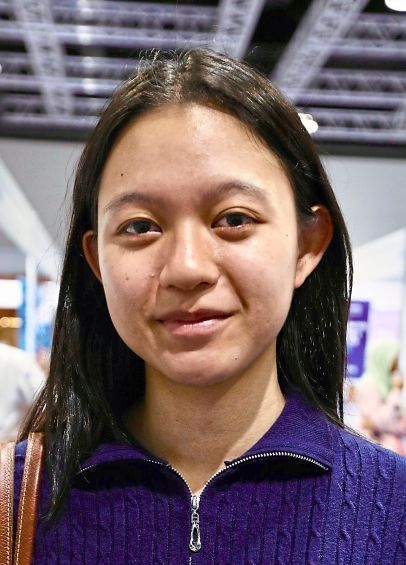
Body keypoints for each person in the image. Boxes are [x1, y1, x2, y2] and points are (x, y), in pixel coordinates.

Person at [13, 49, 405, 564]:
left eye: (234, 219)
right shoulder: (19, 500)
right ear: (96, 260)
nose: (187, 267)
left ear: (307, 245)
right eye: (140, 226)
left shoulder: (392, 507)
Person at [0, 342, 45, 441]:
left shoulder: (18, 360)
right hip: (12, 443)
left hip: (12, 443)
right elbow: (44, 404)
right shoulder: (19, 359)